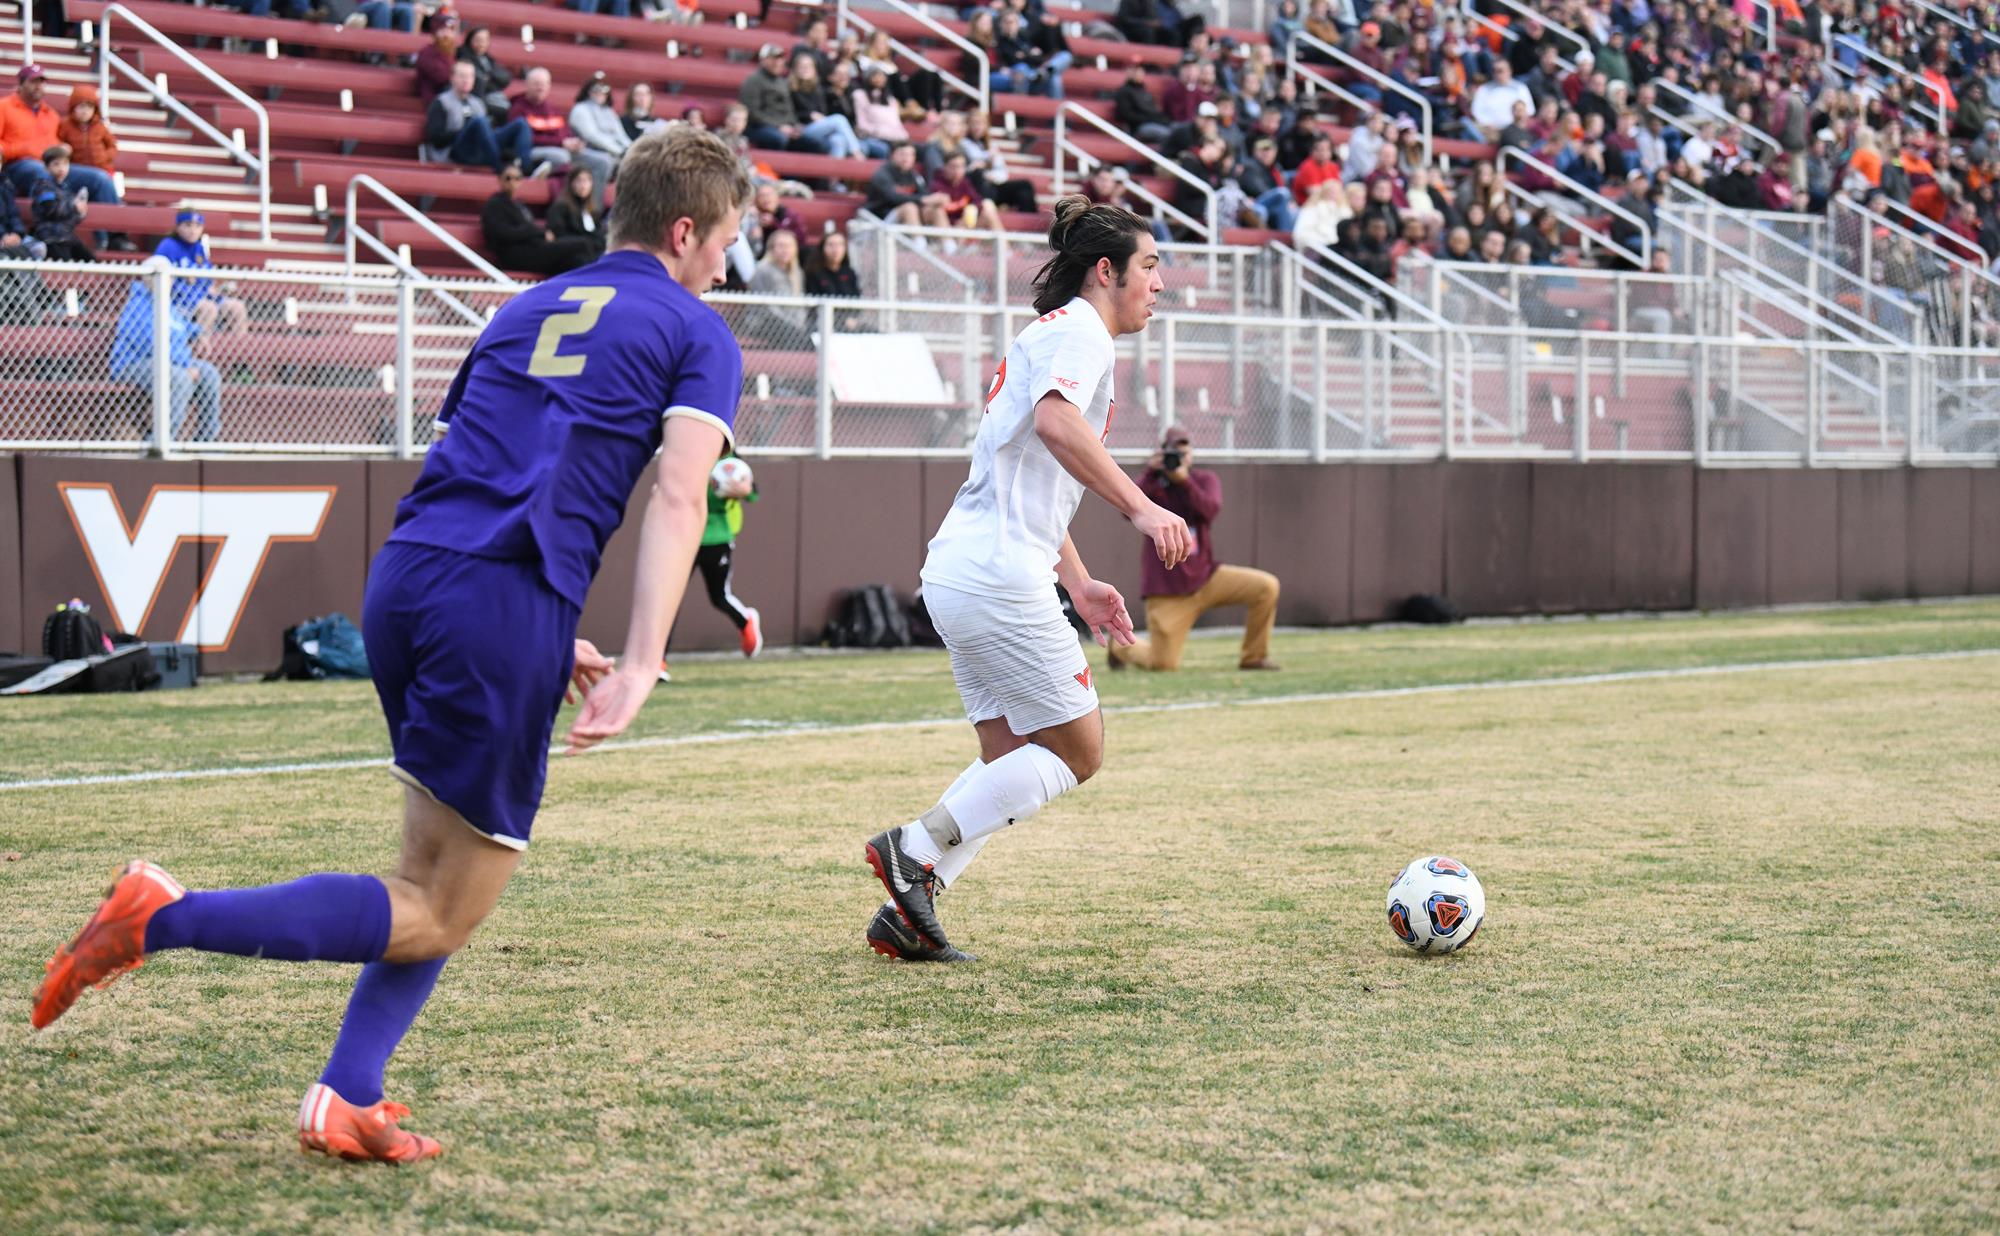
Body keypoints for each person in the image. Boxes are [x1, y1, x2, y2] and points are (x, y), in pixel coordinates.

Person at [33, 127, 752, 1164]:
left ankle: (347, 1095)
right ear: (684, 232)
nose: (725, 267)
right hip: (499, 598)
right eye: (724, 242)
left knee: (423, 872)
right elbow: (680, 495)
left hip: (413, 579)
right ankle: (161, 918)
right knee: (438, 908)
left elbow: (478, 459)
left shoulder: (522, 308)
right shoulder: (696, 331)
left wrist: (540, 632)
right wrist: (639, 658)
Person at [859, 195, 1188, 963]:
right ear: (1105, 271)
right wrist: (1142, 508)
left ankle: (908, 912)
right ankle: (915, 850)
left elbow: (1035, 468)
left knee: (1009, 754)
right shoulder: (1081, 333)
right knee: (1080, 752)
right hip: (998, 576)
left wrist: (1079, 582)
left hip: (964, 568)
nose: (1159, 283)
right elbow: (1055, 424)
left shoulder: (1052, 331)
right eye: (1149, 266)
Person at [1104, 426, 1281, 673]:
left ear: (1191, 455)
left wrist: (1184, 481)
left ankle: (1253, 657)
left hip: (1206, 577)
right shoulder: (1154, 484)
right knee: (1163, 664)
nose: (1178, 458)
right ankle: (1120, 647)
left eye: (1183, 451)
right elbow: (1128, 509)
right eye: (1173, 452)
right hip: (1168, 588)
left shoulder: (1203, 480)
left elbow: (1209, 510)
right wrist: (1151, 472)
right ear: (1162, 453)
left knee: (1266, 587)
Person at [2, 65, 132, 249]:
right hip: (17, 167)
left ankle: (116, 236)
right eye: (33, 82)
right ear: (21, 84)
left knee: (100, 178)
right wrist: (27, 149)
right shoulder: (4, 107)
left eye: (42, 82)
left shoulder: (51, 114)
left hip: (51, 165)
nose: (38, 86)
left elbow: (62, 145)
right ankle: (47, 231)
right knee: (39, 171)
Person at [108, 257, 220, 442]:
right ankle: (162, 440)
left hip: (169, 362)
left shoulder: (166, 304)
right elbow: (153, 343)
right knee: (180, 378)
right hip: (133, 364)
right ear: (148, 279)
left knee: (209, 374)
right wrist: (184, 365)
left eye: (170, 278)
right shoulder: (139, 305)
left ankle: (206, 440)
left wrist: (198, 333)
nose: (169, 282)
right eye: (163, 277)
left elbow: (179, 325)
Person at [683, 451, 764, 659]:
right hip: (684, 535)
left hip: (716, 538)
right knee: (669, 599)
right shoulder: (684, 452)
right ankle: (658, 661)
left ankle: (745, 622)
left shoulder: (729, 456)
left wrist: (745, 490)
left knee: (719, 596)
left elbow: (752, 493)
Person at [481, 163, 596, 275]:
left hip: (534, 249)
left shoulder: (519, 204)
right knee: (583, 244)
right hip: (516, 255)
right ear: (500, 180)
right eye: (508, 178)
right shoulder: (494, 204)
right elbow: (503, 234)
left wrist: (536, 232)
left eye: (517, 178)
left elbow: (528, 229)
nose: (512, 182)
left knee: (578, 260)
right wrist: (538, 232)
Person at [509, 67, 614, 186]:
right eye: (536, 84)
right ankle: (537, 178)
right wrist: (561, 143)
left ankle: (592, 197)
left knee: (604, 161)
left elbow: (565, 133)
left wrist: (574, 142)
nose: (540, 88)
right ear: (527, 85)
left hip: (564, 149)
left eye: (544, 84)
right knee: (561, 156)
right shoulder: (518, 109)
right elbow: (524, 139)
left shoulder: (553, 110)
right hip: (534, 151)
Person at [153, 210, 249, 337]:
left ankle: (238, 346)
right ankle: (202, 345)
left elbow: (207, 280)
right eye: (188, 225)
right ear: (178, 227)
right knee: (209, 309)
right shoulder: (168, 246)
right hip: (178, 299)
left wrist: (217, 289)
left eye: (197, 226)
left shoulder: (199, 248)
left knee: (238, 307)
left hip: (202, 295)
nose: (193, 230)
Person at [426, 61, 534, 172]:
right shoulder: (441, 102)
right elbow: (436, 139)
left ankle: (525, 170)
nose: (466, 80)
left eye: (470, 76)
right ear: (452, 78)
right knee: (480, 122)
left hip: (481, 149)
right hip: (455, 151)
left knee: (521, 124)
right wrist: (464, 130)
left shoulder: (477, 103)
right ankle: (500, 169)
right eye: (462, 76)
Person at [29, 144, 90, 262]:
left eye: (65, 164)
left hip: (67, 236)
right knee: (66, 265)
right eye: (56, 164)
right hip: (51, 238)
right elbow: (50, 209)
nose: (61, 168)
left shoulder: (65, 188)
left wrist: (80, 213)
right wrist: (73, 206)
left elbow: (70, 219)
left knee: (91, 261)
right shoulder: (43, 186)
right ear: (46, 167)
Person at [864, 141, 948, 227]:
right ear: (892, 155)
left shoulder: (914, 175)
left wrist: (935, 199)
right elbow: (893, 198)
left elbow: (924, 194)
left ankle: (946, 236)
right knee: (909, 208)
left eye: (911, 155)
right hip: (879, 219)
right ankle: (917, 236)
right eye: (902, 154)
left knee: (936, 210)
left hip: (905, 219)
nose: (906, 158)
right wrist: (923, 199)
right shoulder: (882, 174)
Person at [456, 25, 514, 121]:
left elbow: (505, 78)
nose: (481, 43)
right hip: (478, 98)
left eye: (484, 40)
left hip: (493, 96)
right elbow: (479, 81)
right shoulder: (464, 57)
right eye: (478, 40)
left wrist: (489, 77)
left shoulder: (488, 59)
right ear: (470, 40)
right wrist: (490, 79)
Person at [547, 165, 607, 257]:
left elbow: (597, 233)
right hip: (572, 253)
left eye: (587, 180)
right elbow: (558, 234)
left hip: (592, 251)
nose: (583, 185)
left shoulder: (592, 210)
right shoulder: (561, 207)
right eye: (579, 181)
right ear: (571, 184)